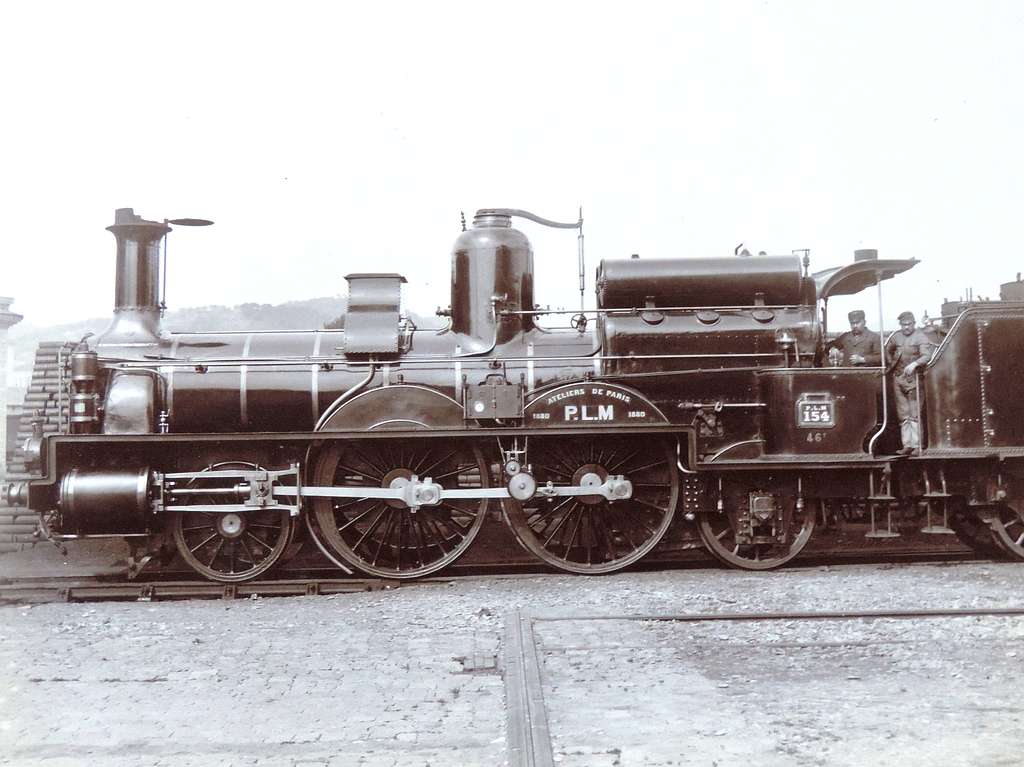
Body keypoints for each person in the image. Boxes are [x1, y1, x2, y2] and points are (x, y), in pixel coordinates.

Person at [885, 310, 936, 454]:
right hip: (898, 378)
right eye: (903, 324)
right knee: (903, 413)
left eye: (908, 324)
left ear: (914, 323)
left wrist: (914, 364)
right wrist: (892, 364)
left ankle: (917, 445)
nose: (906, 327)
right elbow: (887, 349)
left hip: (914, 380)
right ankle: (907, 445)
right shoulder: (896, 336)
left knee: (914, 414)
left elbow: (927, 356)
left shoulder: (920, 337)